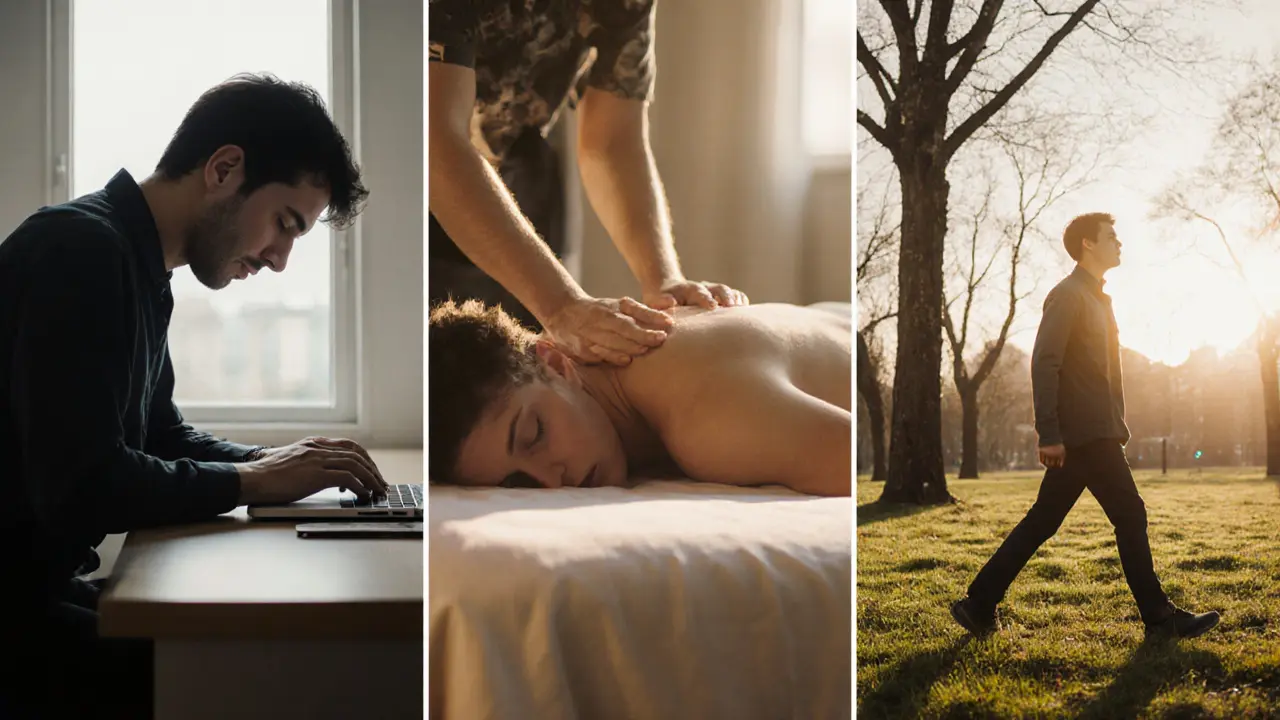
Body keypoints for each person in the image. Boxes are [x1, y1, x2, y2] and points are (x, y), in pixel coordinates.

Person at [0, 73, 390, 717]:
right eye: (284, 224)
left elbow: (159, 436)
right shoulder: (81, 251)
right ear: (225, 169)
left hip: (38, 591)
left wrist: (284, 464)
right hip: (15, 613)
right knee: (264, 675)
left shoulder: (139, 266)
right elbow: (85, 484)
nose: (280, 259)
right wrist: (253, 483)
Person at [428, 0, 749, 367]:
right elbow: (437, 144)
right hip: (415, 199)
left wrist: (663, 283)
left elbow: (610, 143)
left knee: (548, 372)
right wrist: (561, 303)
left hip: (521, 173)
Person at [950, 213, 1220, 640]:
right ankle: (1159, 618)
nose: (1119, 243)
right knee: (1130, 515)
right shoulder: (1068, 296)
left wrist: (1114, 427)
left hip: (1096, 432)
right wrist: (1050, 432)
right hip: (1084, 436)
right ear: (1088, 245)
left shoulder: (1097, 299)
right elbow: (1045, 363)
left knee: (1043, 521)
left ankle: (979, 602)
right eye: (1112, 236)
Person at [429, 299, 852, 497]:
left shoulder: (705, 422)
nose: (551, 479)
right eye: (515, 483)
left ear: (556, 365)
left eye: (534, 434)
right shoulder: (618, 335)